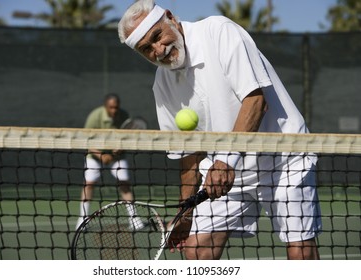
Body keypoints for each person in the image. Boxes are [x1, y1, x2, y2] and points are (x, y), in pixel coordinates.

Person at [118, 0, 322, 260]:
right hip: (223, 170)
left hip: (284, 159)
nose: (159, 49)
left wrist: (226, 161)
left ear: (170, 17)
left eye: (157, 36)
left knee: (301, 253)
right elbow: (188, 155)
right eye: (146, 49)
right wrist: (186, 212)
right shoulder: (163, 84)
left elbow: (255, 101)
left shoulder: (219, 31)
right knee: (196, 250)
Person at [76, 93, 144, 230]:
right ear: (106, 106)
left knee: (124, 183)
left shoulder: (124, 115)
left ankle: (134, 218)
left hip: (117, 157)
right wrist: (101, 155)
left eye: (116, 107)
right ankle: (82, 218)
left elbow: (127, 138)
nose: (114, 111)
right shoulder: (95, 116)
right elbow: (85, 140)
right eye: (111, 108)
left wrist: (117, 151)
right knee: (88, 184)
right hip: (94, 155)